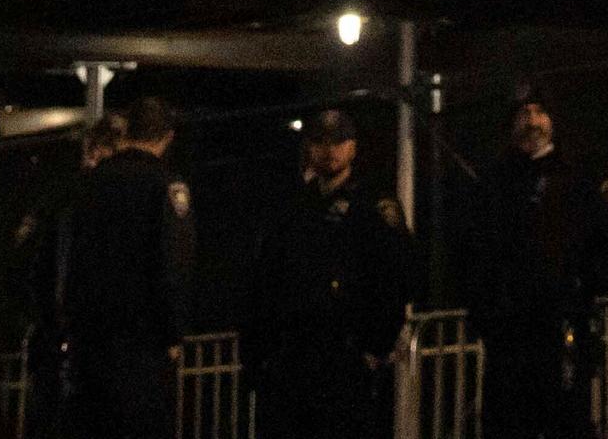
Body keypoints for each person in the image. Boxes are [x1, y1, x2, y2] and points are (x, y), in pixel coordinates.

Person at [236, 103, 412, 439]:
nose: (329, 150)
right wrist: (258, 355)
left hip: (346, 356)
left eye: (338, 142)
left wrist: (375, 348)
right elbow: (265, 280)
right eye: (321, 142)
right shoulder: (293, 205)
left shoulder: (373, 206)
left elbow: (396, 278)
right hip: (294, 358)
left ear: (353, 148)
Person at [50, 75, 198, 438]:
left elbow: (67, 259)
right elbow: (171, 265)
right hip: (141, 347)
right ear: (167, 137)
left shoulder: (90, 184)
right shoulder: (164, 186)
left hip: (89, 344)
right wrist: (173, 333)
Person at [464, 95, 608, 439]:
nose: (532, 121)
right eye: (523, 113)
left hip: (560, 320)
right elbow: (479, 250)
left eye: (539, 112)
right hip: (509, 328)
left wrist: (583, 295)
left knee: (564, 417)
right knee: (507, 421)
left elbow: (603, 243)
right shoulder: (496, 182)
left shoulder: (575, 178)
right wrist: (485, 313)